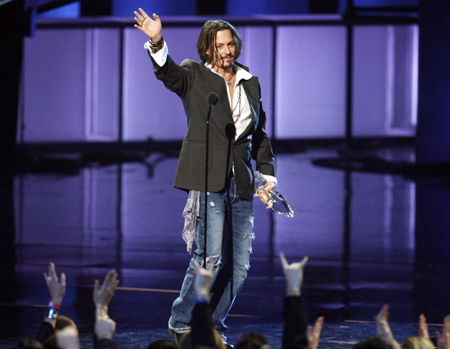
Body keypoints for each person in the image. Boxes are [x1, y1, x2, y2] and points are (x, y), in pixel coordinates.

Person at [133, 7, 277, 340]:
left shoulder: (249, 83)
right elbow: (169, 74)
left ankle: (210, 325)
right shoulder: (194, 75)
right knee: (210, 258)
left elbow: (260, 135)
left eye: (231, 45)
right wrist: (157, 42)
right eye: (220, 46)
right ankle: (183, 322)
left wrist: (266, 178)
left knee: (238, 268)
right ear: (208, 49)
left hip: (240, 184)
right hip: (207, 178)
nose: (227, 52)